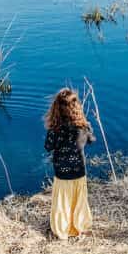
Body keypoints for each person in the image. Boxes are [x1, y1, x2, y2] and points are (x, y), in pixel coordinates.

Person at [44, 87, 95, 240]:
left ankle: (61, 229)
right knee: (79, 200)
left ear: (56, 109)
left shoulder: (55, 129)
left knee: (62, 201)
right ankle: (79, 226)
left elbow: (48, 147)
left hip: (61, 172)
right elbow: (91, 140)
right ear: (76, 107)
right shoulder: (83, 127)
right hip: (79, 170)